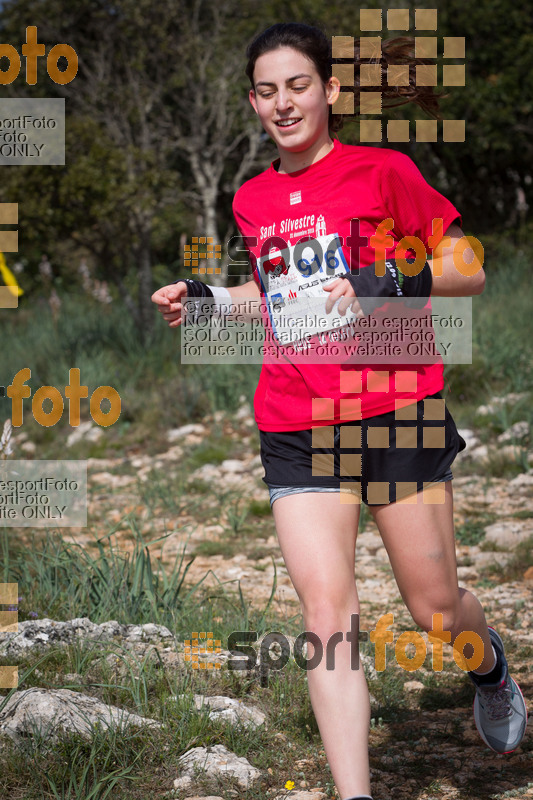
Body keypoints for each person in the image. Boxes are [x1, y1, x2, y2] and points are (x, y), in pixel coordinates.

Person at [152, 23, 527, 800]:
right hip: (296, 418)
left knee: (432, 612)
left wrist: (385, 279)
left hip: (398, 410)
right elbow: (275, 294)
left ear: (329, 90)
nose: (282, 103)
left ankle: (488, 666)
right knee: (326, 616)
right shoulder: (252, 197)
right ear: (253, 102)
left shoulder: (382, 170)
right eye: (266, 90)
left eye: (297, 85)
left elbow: (466, 264)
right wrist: (211, 300)